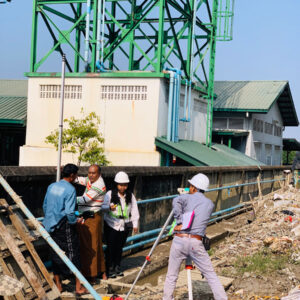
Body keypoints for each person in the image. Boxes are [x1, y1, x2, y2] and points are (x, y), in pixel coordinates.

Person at [163, 173, 227, 300]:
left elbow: (176, 201)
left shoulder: (185, 198)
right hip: (196, 242)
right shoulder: (209, 204)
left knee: (171, 275)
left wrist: (179, 221)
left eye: (190, 186)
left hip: (180, 240)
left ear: (193, 187)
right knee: (210, 275)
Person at [42, 164, 88, 296]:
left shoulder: (52, 186)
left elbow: (45, 205)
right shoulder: (70, 189)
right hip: (64, 225)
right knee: (74, 254)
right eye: (76, 175)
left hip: (50, 225)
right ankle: (79, 287)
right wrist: (75, 221)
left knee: (55, 253)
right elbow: (69, 211)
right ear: (73, 175)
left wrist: (50, 220)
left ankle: (58, 285)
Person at [102, 171, 140, 278]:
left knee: (119, 247)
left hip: (124, 225)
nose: (123, 187)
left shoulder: (130, 195)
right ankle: (110, 268)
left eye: (125, 185)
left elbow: (134, 209)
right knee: (111, 248)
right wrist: (109, 207)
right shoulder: (110, 194)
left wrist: (135, 224)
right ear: (116, 184)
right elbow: (102, 208)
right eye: (120, 185)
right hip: (112, 224)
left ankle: (117, 267)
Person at [76, 164, 107, 283]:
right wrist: (72, 177)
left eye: (93, 173)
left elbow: (85, 199)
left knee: (90, 247)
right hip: (91, 216)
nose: (90, 175)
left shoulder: (98, 185)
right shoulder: (92, 180)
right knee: (96, 245)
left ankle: (92, 276)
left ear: (99, 174)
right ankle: (102, 272)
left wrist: (67, 198)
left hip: (92, 218)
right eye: (89, 172)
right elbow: (83, 180)